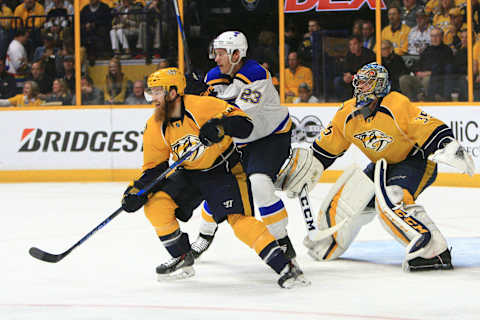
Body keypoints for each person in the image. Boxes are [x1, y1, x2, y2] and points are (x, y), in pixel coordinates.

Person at [120, 67, 309, 288]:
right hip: (191, 174)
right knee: (155, 206)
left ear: (173, 92)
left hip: (224, 170)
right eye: (151, 92)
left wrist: (221, 126)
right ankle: (182, 257)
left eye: (157, 91)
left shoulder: (202, 105)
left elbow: (245, 124)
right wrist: (137, 190)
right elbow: (154, 167)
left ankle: (286, 266)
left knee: (239, 223)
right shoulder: (155, 125)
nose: (152, 98)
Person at [277, 62, 474, 272]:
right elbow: (325, 150)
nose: (360, 88)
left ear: (380, 86)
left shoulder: (396, 104)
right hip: (383, 166)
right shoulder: (346, 114)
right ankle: (330, 242)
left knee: (392, 199)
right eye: (359, 83)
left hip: (414, 162)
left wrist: (447, 145)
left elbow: (426, 125)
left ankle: (434, 250)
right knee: (346, 202)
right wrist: (306, 170)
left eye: (366, 83)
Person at [190, 31, 299, 265]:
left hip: (271, 137)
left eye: (221, 54)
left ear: (236, 54)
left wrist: (210, 109)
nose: (215, 59)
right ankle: (204, 235)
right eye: (215, 54)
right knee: (219, 184)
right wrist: (195, 96)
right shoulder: (213, 76)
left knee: (259, 182)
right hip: (240, 141)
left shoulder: (256, 74)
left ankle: (281, 239)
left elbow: (238, 118)